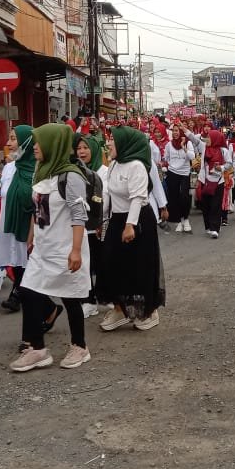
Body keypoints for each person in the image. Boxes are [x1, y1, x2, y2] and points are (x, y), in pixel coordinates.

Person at [11, 124, 92, 372]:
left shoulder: (71, 176)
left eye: (38, 142)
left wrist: (76, 250)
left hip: (65, 247)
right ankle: (38, 349)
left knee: (70, 298)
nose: (34, 147)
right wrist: (32, 235)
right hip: (43, 248)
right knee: (29, 292)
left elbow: (79, 216)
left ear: (51, 145)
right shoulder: (42, 172)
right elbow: (39, 210)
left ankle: (80, 346)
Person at [97, 126, 164, 332]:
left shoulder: (136, 166)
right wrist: (100, 219)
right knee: (111, 264)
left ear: (125, 144)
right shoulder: (115, 165)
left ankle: (149, 311)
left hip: (138, 221)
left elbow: (137, 198)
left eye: (113, 141)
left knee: (140, 267)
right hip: (117, 220)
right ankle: (119, 309)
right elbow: (108, 193)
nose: (108, 144)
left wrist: (130, 226)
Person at [0, 125, 36, 315]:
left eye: (13, 139)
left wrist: (32, 232)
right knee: (18, 267)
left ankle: (41, 311)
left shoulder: (38, 169)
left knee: (30, 272)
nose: (8, 143)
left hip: (28, 229)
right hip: (10, 224)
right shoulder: (10, 168)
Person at [74, 134, 106, 318]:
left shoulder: (104, 172)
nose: (82, 151)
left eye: (85, 148)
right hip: (81, 227)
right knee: (84, 265)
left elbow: (106, 200)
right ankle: (88, 299)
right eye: (79, 148)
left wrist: (101, 220)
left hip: (100, 227)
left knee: (101, 264)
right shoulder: (76, 172)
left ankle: (102, 296)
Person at [164, 125, 195, 233]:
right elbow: (166, 157)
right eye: (173, 131)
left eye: (177, 131)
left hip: (185, 174)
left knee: (184, 197)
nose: (175, 133)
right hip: (172, 173)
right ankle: (179, 221)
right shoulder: (169, 144)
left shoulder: (188, 143)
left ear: (181, 132)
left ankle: (186, 219)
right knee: (174, 198)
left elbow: (192, 157)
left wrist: (183, 146)